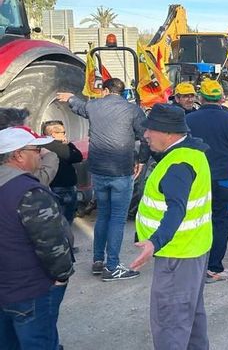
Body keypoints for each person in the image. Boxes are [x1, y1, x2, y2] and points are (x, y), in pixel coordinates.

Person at [131, 104, 212, 350]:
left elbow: (177, 209)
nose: (145, 135)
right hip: (194, 249)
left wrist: (154, 241)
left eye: (150, 130)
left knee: (171, 324)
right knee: (192, 318)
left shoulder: (177, 165)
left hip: (177, 256)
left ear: (169, 133)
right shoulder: (192, 152)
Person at [57, 77, 149, 281]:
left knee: (103, 216)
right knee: (117, 219)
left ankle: (98, 261)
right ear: (122, 92)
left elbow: (78, 106)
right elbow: (145, 137)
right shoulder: (133, 110)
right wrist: (141, 160)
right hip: (122, 172)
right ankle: (113, 266)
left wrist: (70, 98)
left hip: (98, 171)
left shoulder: (94, 106)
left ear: (105, 91)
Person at [0, 126, 74, 350]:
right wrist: (62, 275)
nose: (41, 154)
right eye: (36, 149)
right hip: (31, 290)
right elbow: (51, 242)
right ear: (18, 155)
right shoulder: (29, 192)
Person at [185, 79, 228, 283]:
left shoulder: (189, 120)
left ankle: (192, 265)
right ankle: (213, 268)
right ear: (222, 98)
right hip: (223, 180)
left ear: (200, 98)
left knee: (195, 221)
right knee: (221, 222)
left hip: (195, 180)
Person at [0, 108, 59, 186]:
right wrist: (50, 156)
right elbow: (39, 180)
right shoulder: (19, 183)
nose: (30, 131)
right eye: (25, 129)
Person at [41, 120, 84, 227]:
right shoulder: (61, 147)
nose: (65, 135)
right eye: (63, 132)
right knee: (66, 219)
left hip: (47, 186)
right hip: (64, 187)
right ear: (54, 134)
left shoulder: (40, 145)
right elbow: (78, 157)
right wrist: (70, 144)